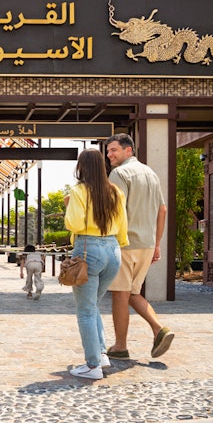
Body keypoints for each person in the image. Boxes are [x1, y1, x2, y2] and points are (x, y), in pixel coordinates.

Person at [104, 133, 175, 360]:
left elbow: (115, 211)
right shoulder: (151, 173)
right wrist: (157, 244)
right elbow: (162, 210)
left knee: (120, 295)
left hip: (125, 244)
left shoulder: (118, 174)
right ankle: (159, 329)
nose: (109, 155)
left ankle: (120, 347)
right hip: (146, 244)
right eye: (108, 151)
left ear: (129, 150)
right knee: (133, 293)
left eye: (114, 150)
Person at [64, 147, 128, 380]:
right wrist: (118, 244)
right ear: (102, 166)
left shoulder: (79, 191)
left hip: (88, 249)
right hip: (113, 250)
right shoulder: (116, 192)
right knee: (93, 306)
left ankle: (93, 366)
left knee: (86, 311)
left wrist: (68, 205)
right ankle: (101, 354)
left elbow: (74, 224)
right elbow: (123, 226)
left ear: (82, 167)